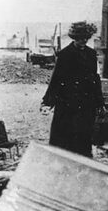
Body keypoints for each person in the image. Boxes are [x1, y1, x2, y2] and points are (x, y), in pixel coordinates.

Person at [41, 21, 102, 157]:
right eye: (80, 38)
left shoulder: (91, 54)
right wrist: (48, 101)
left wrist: (99, 101)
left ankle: (83, 160)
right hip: (67, 101)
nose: (83, 41)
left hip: (86, 102)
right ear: (74, 37)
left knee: (84, 134)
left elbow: (95, 78)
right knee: (64, 134)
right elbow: (56, 79)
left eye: (86, 38)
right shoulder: (65, 54)